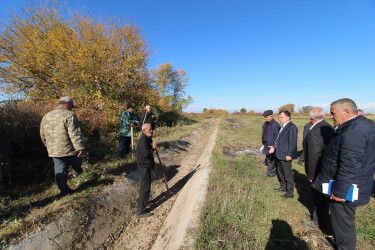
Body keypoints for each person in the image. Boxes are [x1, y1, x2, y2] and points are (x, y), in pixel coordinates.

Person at [312, 98, 375, 250]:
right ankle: (341, 242)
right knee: (342, 220)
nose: (331, 116)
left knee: (343, 220)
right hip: (352, 182)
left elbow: (350, 165)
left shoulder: (353, 132)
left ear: (346, 112)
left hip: (347, 187)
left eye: (333, 113)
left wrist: (340, 191)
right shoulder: (361, 125)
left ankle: (344, 247)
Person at [40, 96, 85, 197]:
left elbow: (42, 134)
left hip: (54, 149)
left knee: (60, 169)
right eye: (71, 106)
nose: (71, 108)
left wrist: (48, 146)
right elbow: (75, 133)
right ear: (68, 105)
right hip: (70, 148)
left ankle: (64, 191)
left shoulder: (47, 116)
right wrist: (80, 147)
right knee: (77, 162)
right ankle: (77, 173)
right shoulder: (69, 115)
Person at [302, 107, 334, 229]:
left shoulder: (315, 131)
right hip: (325, 168)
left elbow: (314, 155)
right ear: (324, 115)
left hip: (318, 169)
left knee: (319, 196)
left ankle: (318, 221)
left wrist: (311, 174)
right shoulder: (327, 127)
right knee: (322, 196)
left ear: (309, 117)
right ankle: (317, 215)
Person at [268, 111, 298, 198]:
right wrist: (274, 148)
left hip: (286, 155)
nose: (279, 119)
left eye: (281, 117)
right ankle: (283, 187)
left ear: (288, 117)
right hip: (279, 153)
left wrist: (289, 154)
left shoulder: (291, 127)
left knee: (287, 174)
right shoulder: (283, 127)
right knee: (280, 172)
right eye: (279, 117)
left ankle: (289, 193)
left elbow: (292, 142)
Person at [136, 123, 157, 218]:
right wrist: (153, 149)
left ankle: (145, 204)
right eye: (149, 130)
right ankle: (140, 211)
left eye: (151, 129)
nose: (151, 131)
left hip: (146, 166)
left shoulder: (147, 138)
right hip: (143, 167)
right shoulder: (142, 140)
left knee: (147, 186)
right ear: (144, 131)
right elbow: (146, 154)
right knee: (144, 188)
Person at [261, 110, 280, 177]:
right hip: (266, 144)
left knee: (272, 160)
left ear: (271, 116)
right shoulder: (265, 123)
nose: (265, 118)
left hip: (271, 145)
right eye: (265, 117)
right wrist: (263, 142)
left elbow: (276, 137)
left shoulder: (275, 125)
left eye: (266, 117)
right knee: (268, 158)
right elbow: (264, 133)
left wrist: (273, 146)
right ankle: (269, 171)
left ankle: (271, 173)